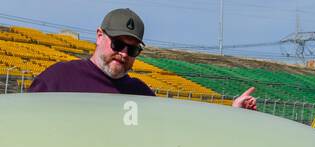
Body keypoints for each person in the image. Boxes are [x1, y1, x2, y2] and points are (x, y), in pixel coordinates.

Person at [29, 8, 256, 109]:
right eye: (118, 45)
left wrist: (231, 111)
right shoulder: (58, 80)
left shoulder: (140, 93)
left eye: (133, 50)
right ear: (100, 36)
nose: (124, 54)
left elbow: (177, 131)